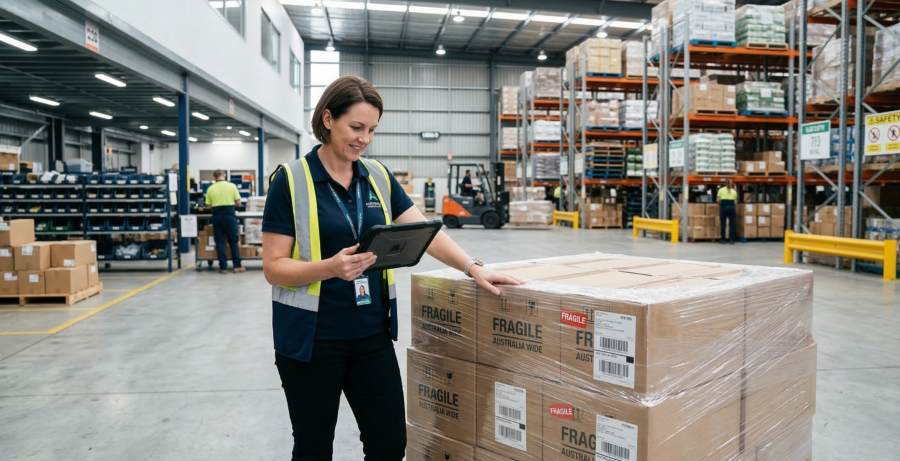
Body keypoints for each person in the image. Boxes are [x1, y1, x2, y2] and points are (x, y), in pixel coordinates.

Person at [261, 75, 523, 461]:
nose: (363, 138)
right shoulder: (292, 181)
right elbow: (273, 267)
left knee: (388, 444)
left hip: (371, 335)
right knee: (314, 448)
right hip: (311, 342)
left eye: (371, 130)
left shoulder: (378, 177)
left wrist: (471, 267)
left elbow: (426, 232)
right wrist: (330, 268)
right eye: (356, 127)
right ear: (328, 119)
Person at [205, 169, 244, 273]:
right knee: (233, 242)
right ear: (224, 176)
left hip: (217, 217)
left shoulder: (211, 188)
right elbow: (239, 203)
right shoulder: (232, 186)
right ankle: (237, 266)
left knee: (220, 242)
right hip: (229, 216)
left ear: (214, 177)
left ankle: (223, 267)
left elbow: (209, 206)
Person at [717, 178, 738, 244]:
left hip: (724, 207)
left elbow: (717, 199)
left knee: (723, 224)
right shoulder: (734, 191)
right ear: (731, 184)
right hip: (732, 207)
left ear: (725, 183)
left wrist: (721, 204)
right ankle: (731, 240)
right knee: (732, 225)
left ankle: (723, 240)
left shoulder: (721, 190)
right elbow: (735, 202)